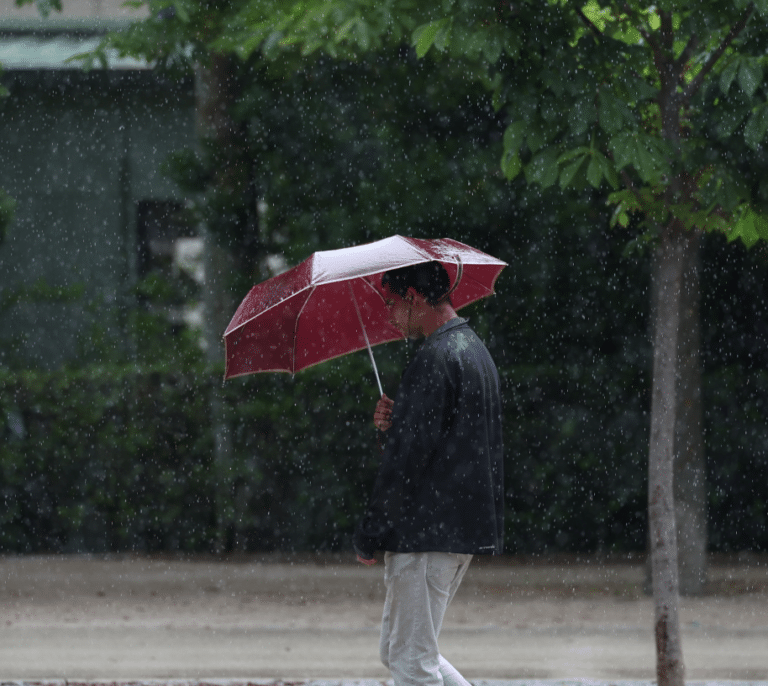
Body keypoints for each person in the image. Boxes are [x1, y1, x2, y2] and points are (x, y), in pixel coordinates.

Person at [353, 260, 504, 686]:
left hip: (426, 534)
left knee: (411, 662)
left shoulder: (434, 359)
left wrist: (371, 533)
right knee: (402, 651)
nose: (389, 315)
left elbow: (405, 461)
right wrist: (396, 424)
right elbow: (448, 440)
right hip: (458, 530)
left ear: (414, 298)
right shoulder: (473, 351)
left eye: (391, 303)